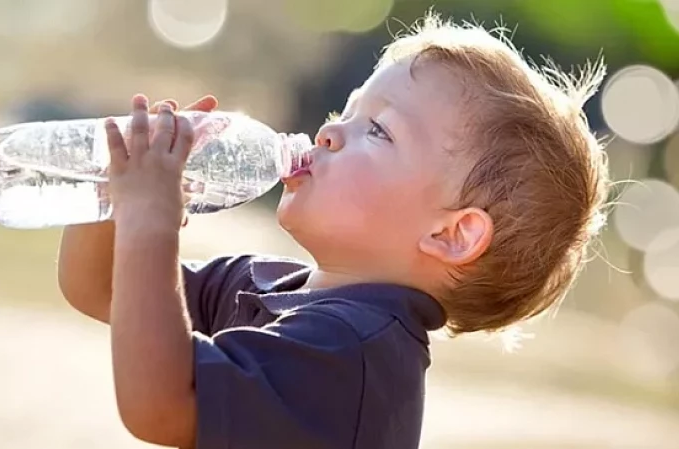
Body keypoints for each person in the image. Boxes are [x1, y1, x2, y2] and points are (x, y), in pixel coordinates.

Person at [57, 11, 610, 449]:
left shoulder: (353, 352)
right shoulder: (271, 286)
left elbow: (159, 406)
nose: (328, 133)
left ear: (451, 235)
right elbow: (101, 286)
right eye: (345, 111)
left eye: (376, 129)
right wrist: (116, 196)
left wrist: (152, 224)